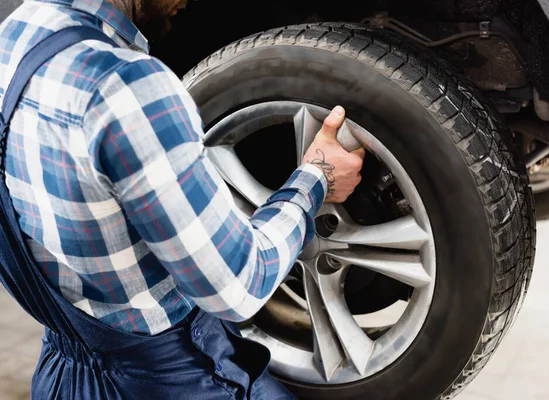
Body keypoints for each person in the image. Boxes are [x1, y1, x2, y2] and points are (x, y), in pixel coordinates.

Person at [0, 0, 364, 398]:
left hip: (61, 379)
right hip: (172, 383)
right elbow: (239, 285)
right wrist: (315, 179)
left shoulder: (13, 38)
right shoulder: (125, 86)